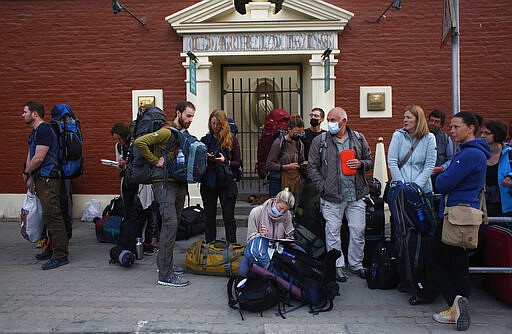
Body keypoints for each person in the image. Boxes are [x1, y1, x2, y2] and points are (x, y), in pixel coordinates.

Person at [431, 112, 491, 331]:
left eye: (457, 127)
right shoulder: (470, 153)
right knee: (454, 259)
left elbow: (444, 183)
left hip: (457, 214)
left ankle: (457, 302)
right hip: (461, 212)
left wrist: (443, 174)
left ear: (471, 128)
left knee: (442, 258)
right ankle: (458, 303)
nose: (452, 131)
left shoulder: (468, 155)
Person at [134, 101, 196, 287]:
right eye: (188, 116)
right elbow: (140, 142)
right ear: (178, 113)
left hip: (177, 183)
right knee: (170, 224)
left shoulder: (182, 135)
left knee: (172, 226)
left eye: (192, 116)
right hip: (163, 184)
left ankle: (164, 265)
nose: (190, 120)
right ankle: (165, 275)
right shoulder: (166, 132)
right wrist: (155, 160)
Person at [308, 107, 373, 281]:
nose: (330, 123)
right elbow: (312, 167)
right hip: (331, 197)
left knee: (358, 230)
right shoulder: (320, 141)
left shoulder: (358, 138)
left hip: (356, 195)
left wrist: (361, 164)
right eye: (328, 119)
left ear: (344, 121)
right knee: (332, 232)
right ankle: (337, 265)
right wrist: (323, 186)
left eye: (333, 120)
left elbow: (369, 160)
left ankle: (356, 264)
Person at [22, 101, 69, 270]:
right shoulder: (35, 132)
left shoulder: (43, 130)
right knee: (46, 216)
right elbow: (31, 155)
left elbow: (39, 157)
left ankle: (60, 255)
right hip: (41, 178)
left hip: (49, 179)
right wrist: (28, 173)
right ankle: (50, 249)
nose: (23, 114)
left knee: (53, 216)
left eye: (25, 112)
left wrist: (28, 172)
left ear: (35, 114)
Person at [200, 109, 241, 243]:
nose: (215, 127)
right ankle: (209, 246)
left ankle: (232, 246)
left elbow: (238, 162)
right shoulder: (205, 140)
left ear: (223, 124)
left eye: (218, 124)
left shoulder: (231, 140)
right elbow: (198, 163)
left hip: (227, 182)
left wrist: (225, 161)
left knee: (228, 218)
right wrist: (205, 157)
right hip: (209, 182)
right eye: (213, 123)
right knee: (209, 218)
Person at [238, 188, 296, 277]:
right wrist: (260, 235)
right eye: (280, 208)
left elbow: (290, 236)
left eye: (285, 210)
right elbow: (250, 239)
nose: (281, 212)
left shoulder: (287, 215)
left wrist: (289, 239)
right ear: (275, 201)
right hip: (259, 250)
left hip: (276, 250)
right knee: (243, 271)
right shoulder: (256, 212)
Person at [388, 105, 437, 201]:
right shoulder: (397, 136)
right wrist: (401, 184)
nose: (405, 120)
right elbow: (392, 162)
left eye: (409, 117)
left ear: (418, 120)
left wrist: (416, 186)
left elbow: (429, 165)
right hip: (400, 191)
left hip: (422, 191)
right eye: (404, 117)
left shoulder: (429, 138)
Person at [265, 115, 305, 198]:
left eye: (301, 133)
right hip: (278, 181)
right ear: (289, 129)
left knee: (291, 207)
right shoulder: (279, 143)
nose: (298, 135)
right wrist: (285, 167)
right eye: (296, 132)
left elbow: (301, 161)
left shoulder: (299, 144)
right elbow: (269, 164)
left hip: (292, 181)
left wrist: (304, 164)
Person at [480, 119, 512, 217]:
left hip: (506, 209)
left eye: (487, 133)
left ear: (497, 134)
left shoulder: (510, 153)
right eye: (481, 132)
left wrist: (510, 177)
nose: (482, 136)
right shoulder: (479, 154)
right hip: (482, 208)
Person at [428, 109, 454, 193]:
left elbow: (451, 158)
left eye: (437, 122)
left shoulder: (446, 139)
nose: (433, 123)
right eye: (431, 120)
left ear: (441, 124)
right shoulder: (421, 137)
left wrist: (442, 168)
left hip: (440, 176)